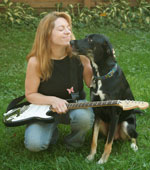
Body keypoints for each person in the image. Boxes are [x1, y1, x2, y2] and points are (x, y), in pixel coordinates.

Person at [24, 11, 94, 152]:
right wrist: (53, 100)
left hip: (75, 104)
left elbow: (93, 84)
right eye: (61, 29)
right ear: (47, 35)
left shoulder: (80, 57)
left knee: (83, 117)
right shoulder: (36, 62)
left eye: (68, 28)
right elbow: (30, 94)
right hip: (45, 107)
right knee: (34, 145)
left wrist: (102, 62)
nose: (68, 32)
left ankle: (73, 144)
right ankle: (51, 130)